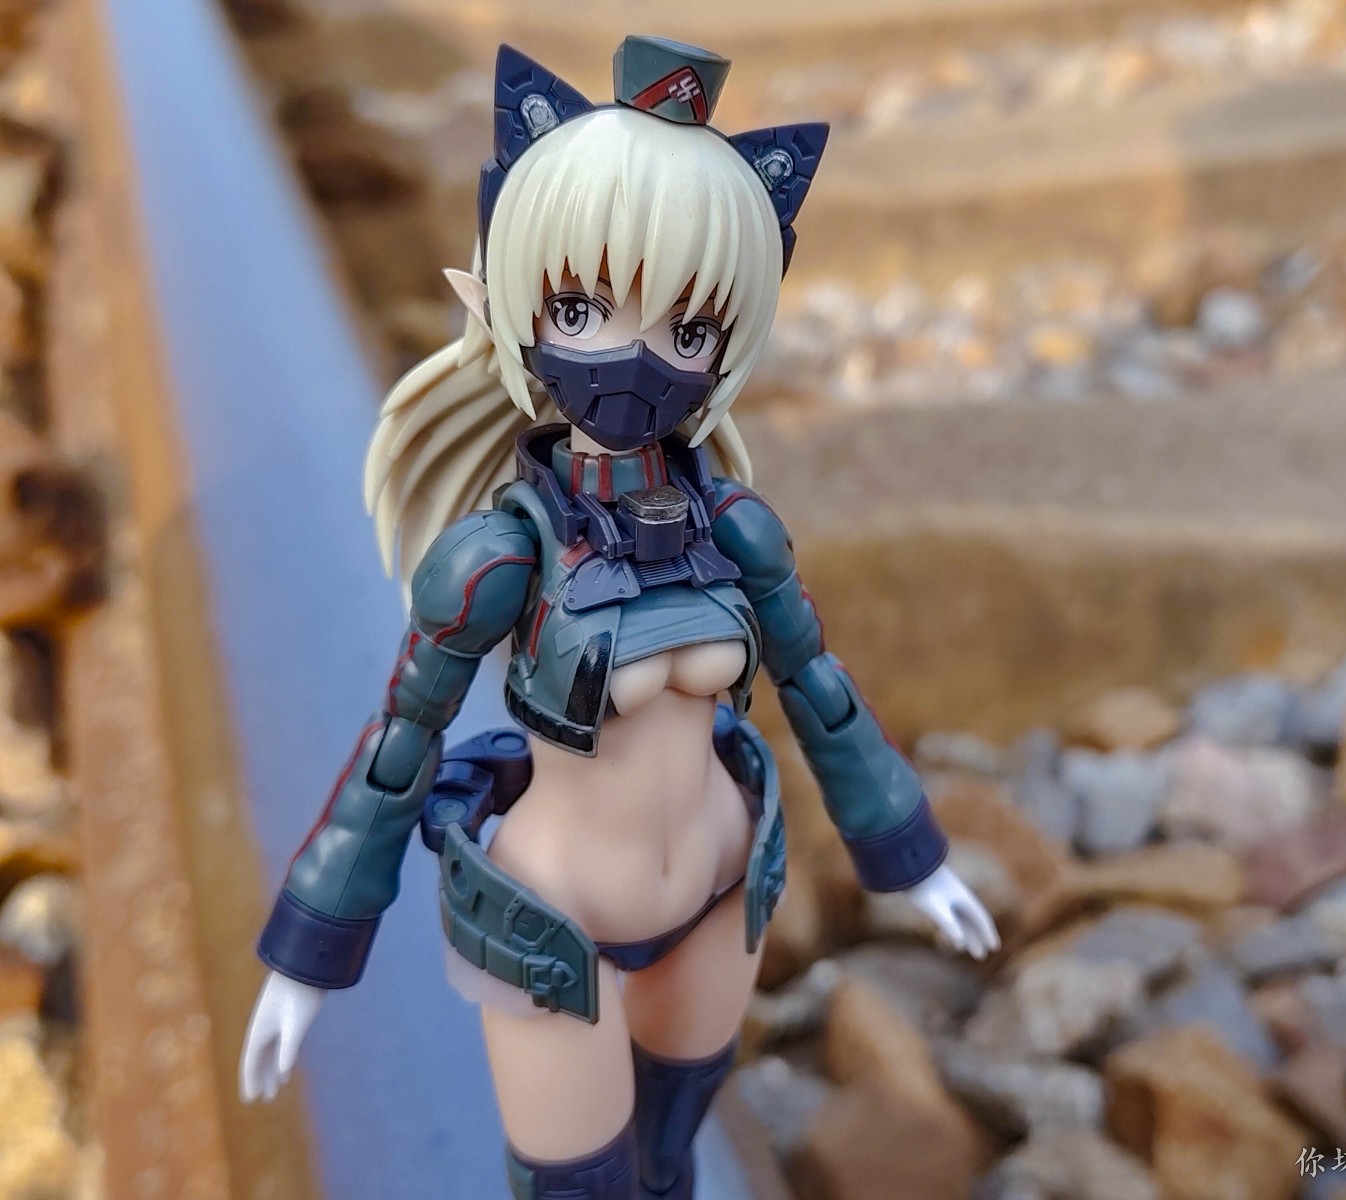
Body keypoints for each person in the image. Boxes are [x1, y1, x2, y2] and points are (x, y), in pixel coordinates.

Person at [237, 35, 999, 1200]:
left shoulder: (732, 525)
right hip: (554, 920)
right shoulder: (503, 553)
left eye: (687, 331)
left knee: (670, 1161)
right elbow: (400, 748)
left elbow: (819, 690)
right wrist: (309, 953)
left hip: (721, 880)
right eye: (584, 307)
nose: (635, 360)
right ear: (520, 303)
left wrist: (912, 859)